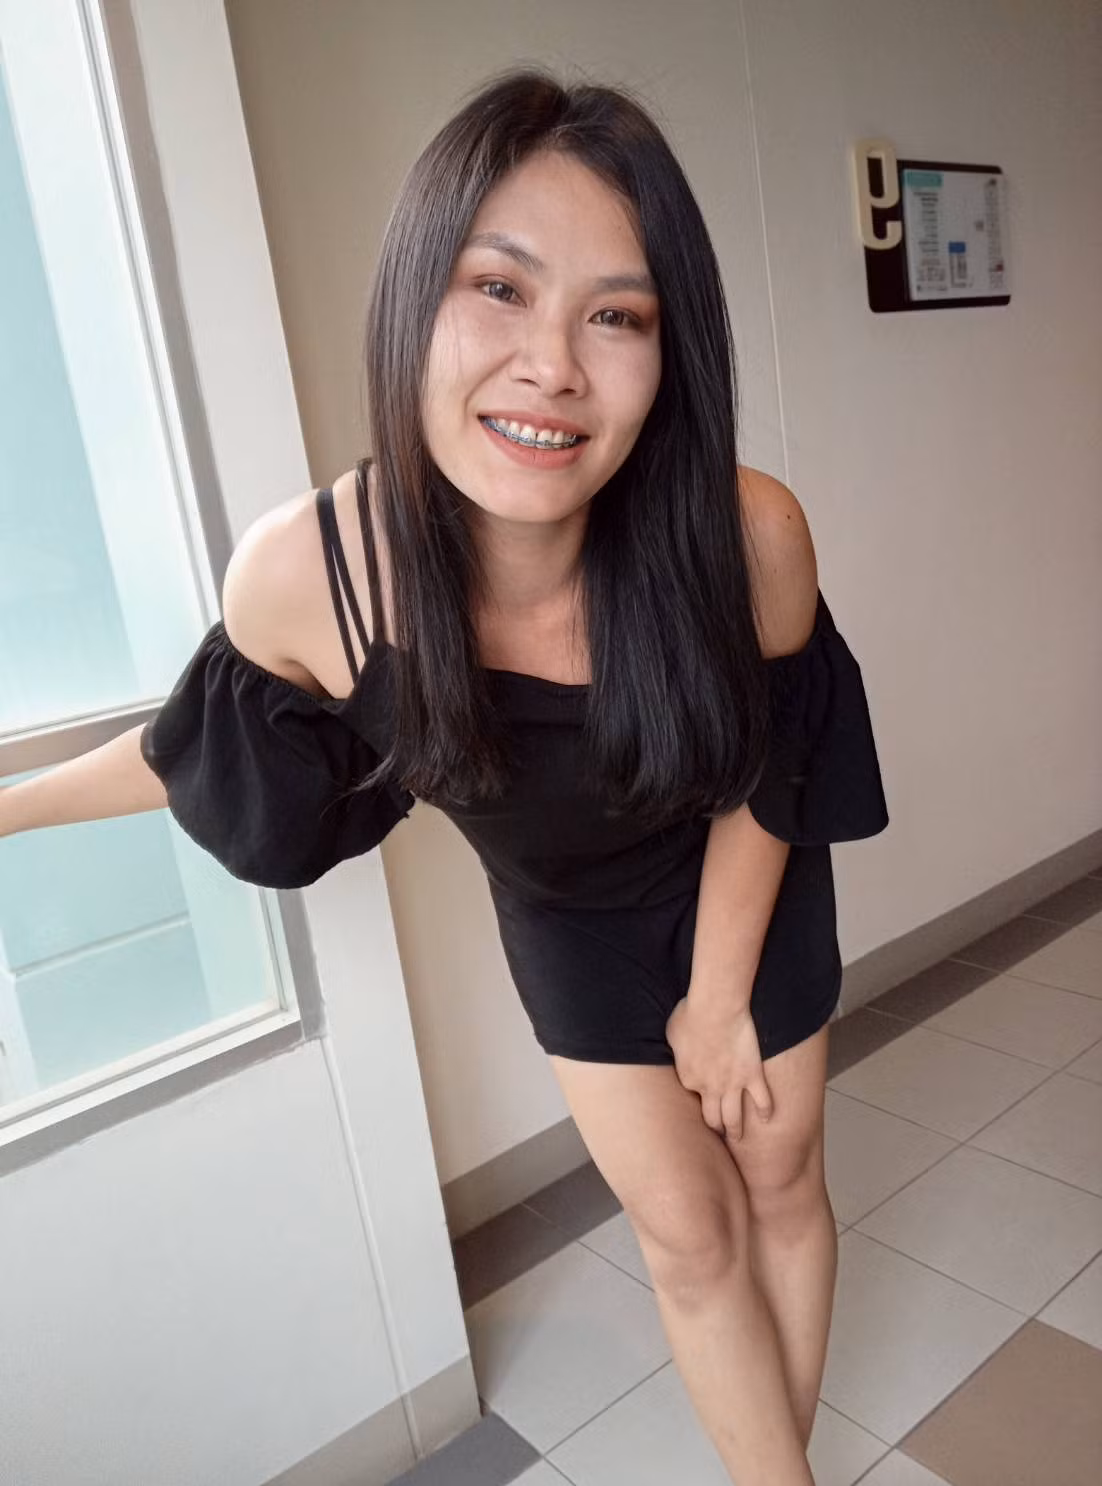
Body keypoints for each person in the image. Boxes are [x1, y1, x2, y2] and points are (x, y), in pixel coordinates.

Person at [0, 65, 888, 1486]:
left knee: (781, 1178)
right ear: (416, 299)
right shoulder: (315, 574)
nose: (553, 365)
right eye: (499, 288)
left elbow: (775, 765)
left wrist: (720, 996)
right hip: (569, 918)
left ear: (671, 352)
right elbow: (190, 751)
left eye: (616, 315)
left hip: (746, 876)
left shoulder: (745, 534)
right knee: (686, 1232)